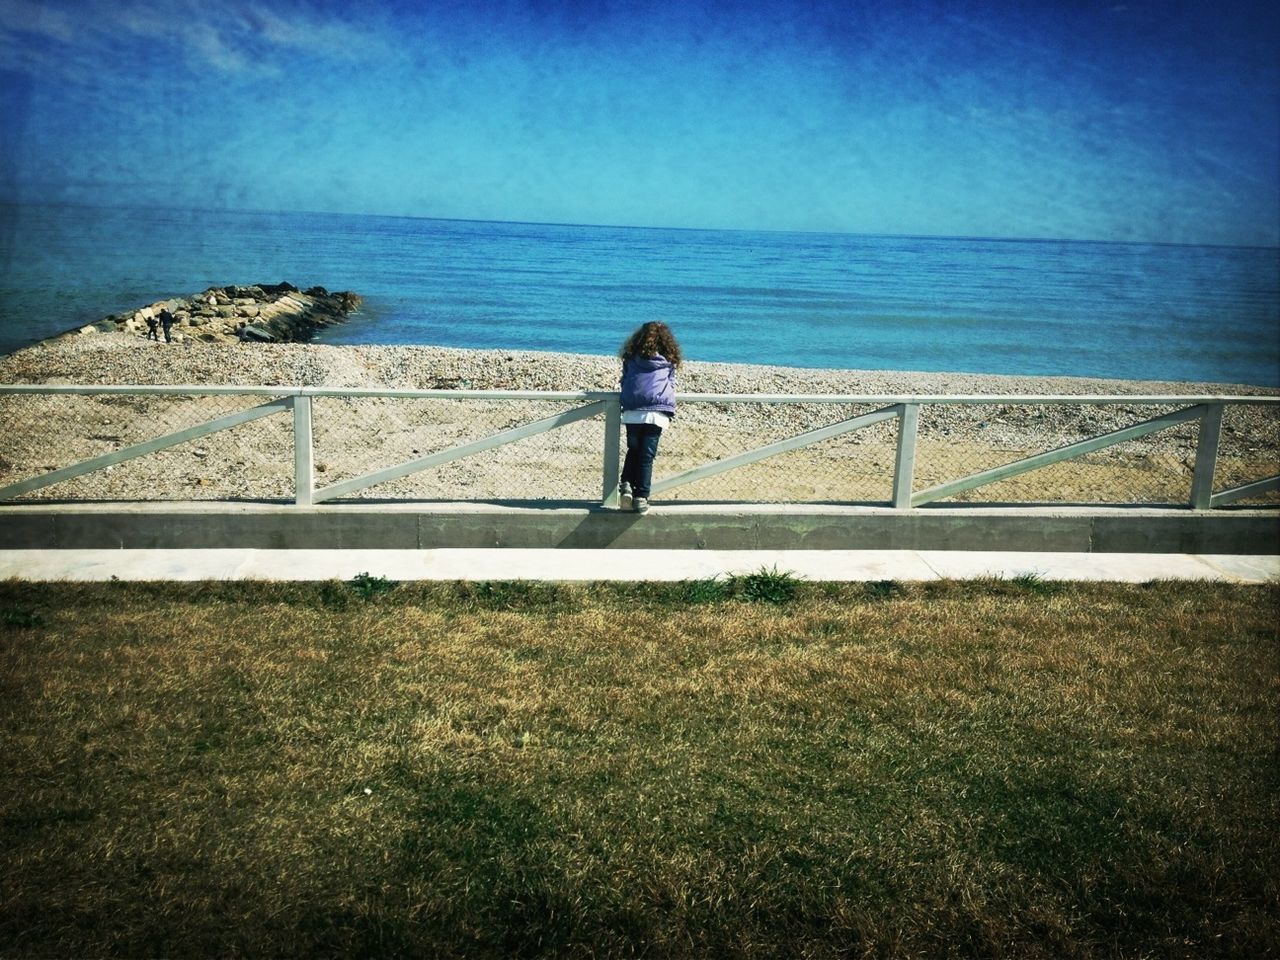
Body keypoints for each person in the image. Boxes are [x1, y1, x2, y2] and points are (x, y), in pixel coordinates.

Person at [617, 321, 681, 513]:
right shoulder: (668, 360)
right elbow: (671, 383)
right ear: (666, 341)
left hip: (633, 410)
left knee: (634, 449)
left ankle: (627, 484)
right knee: (647, 456)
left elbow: (624, 379)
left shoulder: (630, 358)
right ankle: (641, 497)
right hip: (656, 411)